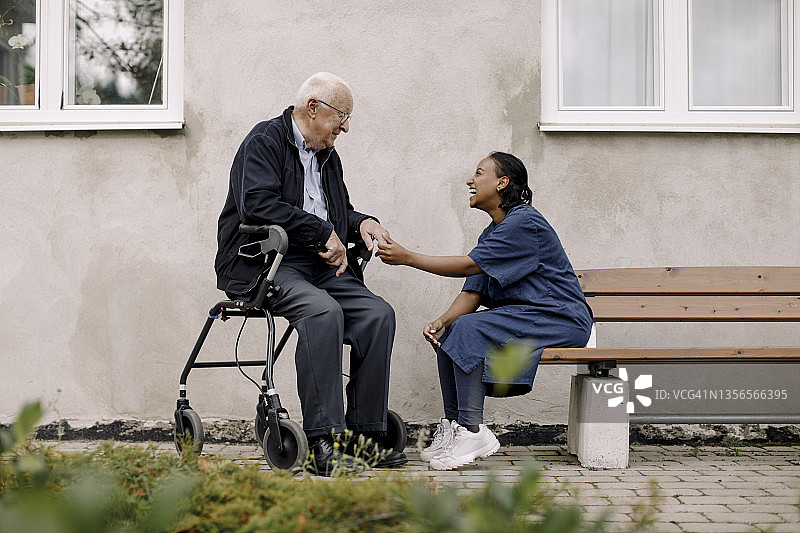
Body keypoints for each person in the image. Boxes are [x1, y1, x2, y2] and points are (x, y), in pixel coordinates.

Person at [215, 72, 406, 475]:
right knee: (323, 313)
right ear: (313, 108)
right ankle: (326, 441)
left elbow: (334, 215)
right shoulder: (264, 142)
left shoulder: (327, 156)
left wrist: (361, 223)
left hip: (319, 266)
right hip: (267, 264)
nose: (346, 127)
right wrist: (323, 233)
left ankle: (364, 436)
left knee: (378, 316)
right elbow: (258, 207)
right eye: (343, 116)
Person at [376, 151, 593, 470]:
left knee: (468, 330)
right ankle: (455, 428)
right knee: (451, 332)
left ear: (502, 182)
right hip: (528, 316)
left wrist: (408, 257)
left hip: (559, 316)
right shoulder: (493, 232)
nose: (470, 180)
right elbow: (474, 290)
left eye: (479, 173)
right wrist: (443, 320)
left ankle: (472, 430)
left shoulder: (524, 222)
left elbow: (468, 266)